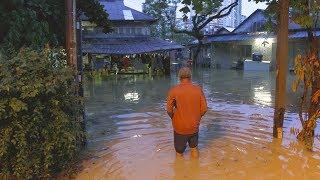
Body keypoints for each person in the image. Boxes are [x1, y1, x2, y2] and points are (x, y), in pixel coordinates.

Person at [166, 67, 207, 158]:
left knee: (179, 152)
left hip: (180, 127)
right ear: (190, 77)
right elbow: (204, 109)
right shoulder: (198, 89)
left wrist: (174, 117)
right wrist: (197, 118)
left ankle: (180, 170)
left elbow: (169, 110)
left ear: (179, 77)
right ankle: (196, 170)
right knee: (194, 148)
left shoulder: (174, 90)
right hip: (194, 126)